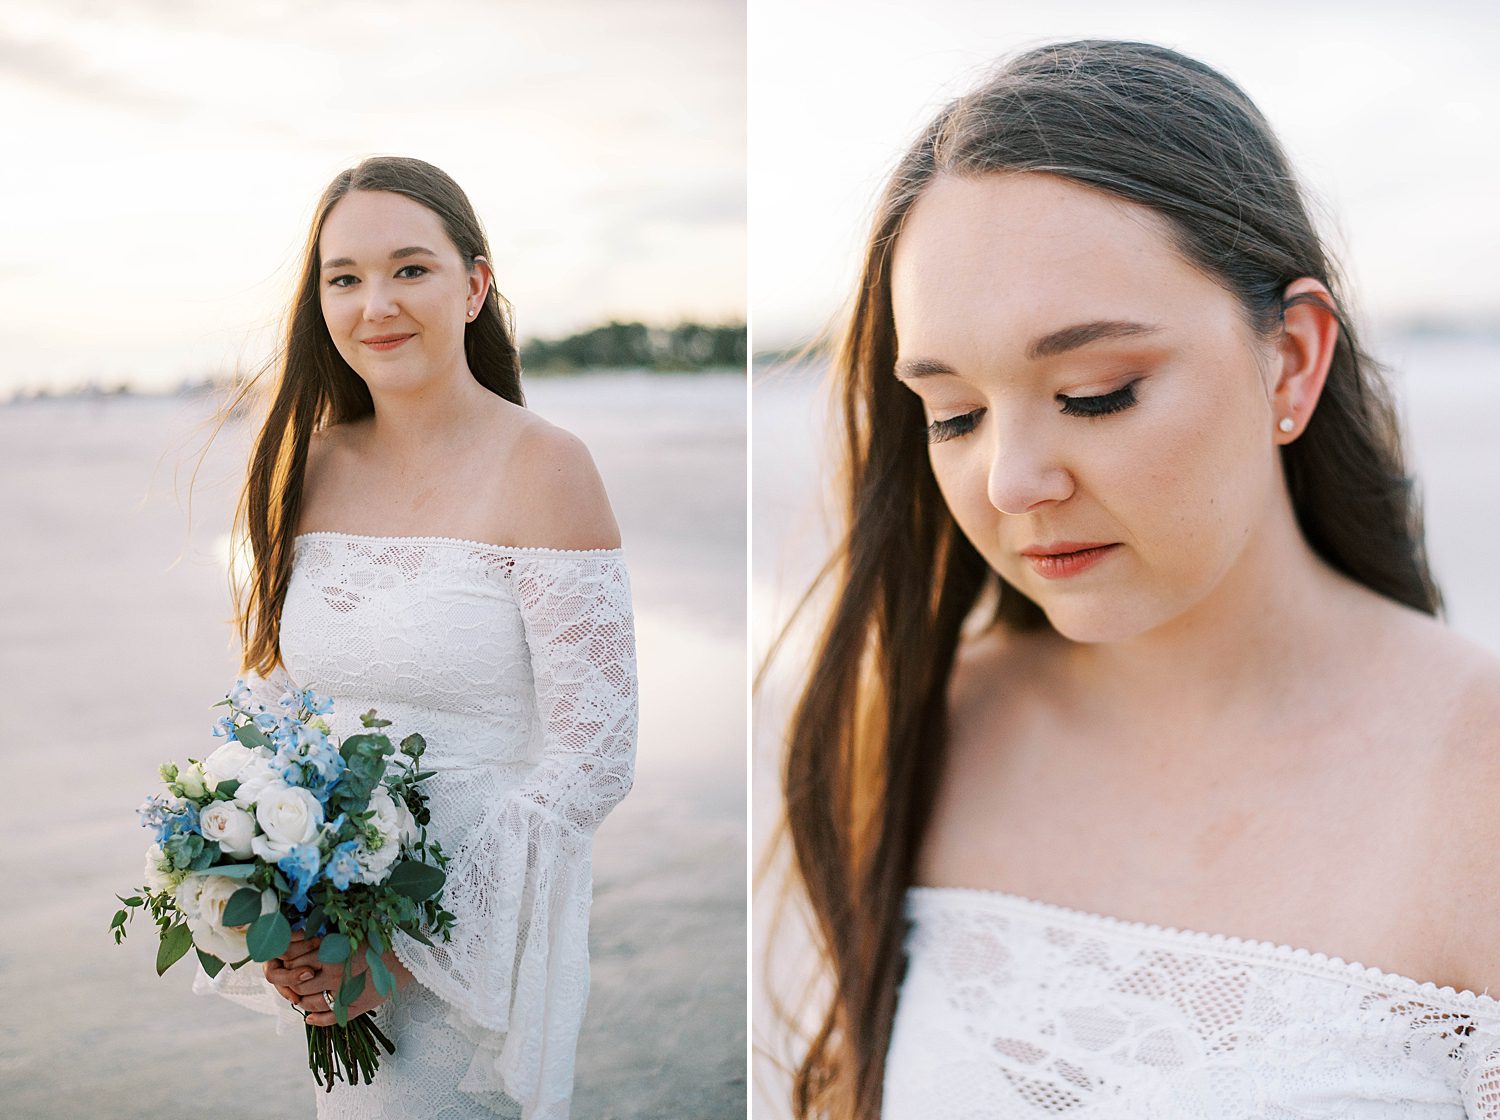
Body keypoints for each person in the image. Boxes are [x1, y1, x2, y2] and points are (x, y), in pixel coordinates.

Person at [771, 39, 1500, 1119]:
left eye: (1098, 392)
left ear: (1293, 358)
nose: (1012, 480)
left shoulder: (1473, 780)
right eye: (955, 414)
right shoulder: (932, 724)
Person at [192, 155, 639, 1120]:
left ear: (475, 284)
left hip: (471, 937)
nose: (375, 305)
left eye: (410, 269)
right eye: (344, 278)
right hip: (336, 928)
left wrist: (400, 948)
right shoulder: (302, 466)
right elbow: (275, 698)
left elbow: (592, 757)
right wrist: (282, 914)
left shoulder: (548, 467)